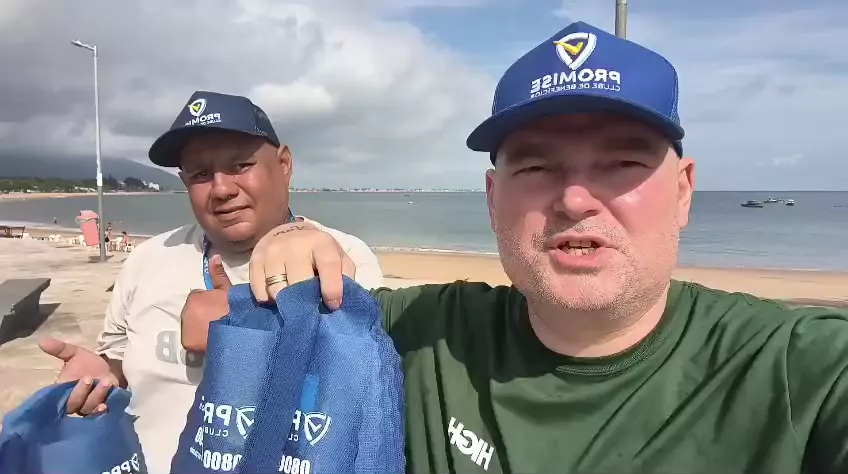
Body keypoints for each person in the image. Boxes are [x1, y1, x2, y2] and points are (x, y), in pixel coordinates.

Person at [184, 22, 848, 473]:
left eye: (622, 163)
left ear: (683, 191)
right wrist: (292, 239)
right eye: (536, 167)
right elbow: (210, 321)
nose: (576, 198)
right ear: (492, 197)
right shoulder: (429, 334)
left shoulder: (798, 368)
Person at [38, 91, 385, 473]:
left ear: (284, 164)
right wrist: (103, 377)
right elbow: (119, 364)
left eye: (240, 165)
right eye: (201, 174)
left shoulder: (338, 256)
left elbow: (363, 391)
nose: (221, 189)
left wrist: (245, 326)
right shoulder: (148, 259)